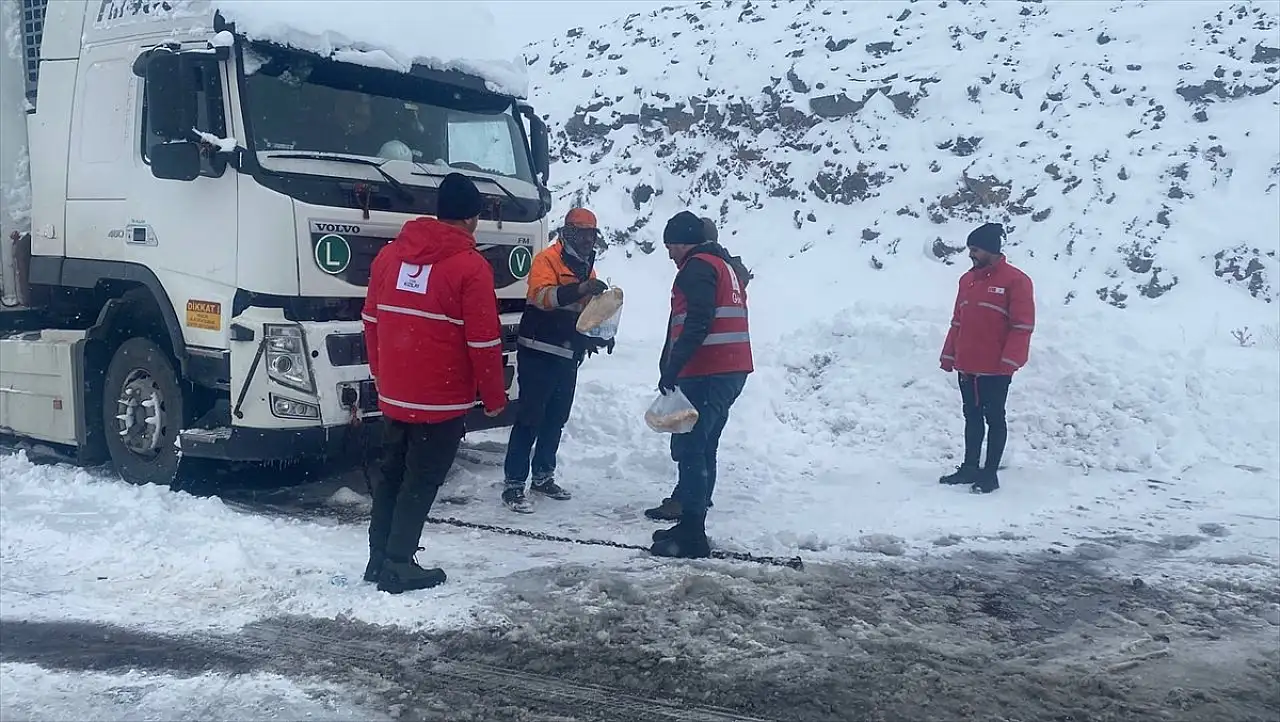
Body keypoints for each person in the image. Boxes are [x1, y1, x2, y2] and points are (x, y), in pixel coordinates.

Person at [361, 173, 507, 593]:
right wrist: (494, 396)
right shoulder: (471, 267)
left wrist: (380, 372)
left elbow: (370, 319)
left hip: (395, 393)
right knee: (421, 479)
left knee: (392, 473)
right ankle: (399, 563)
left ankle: (378, 557)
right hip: (440, 398)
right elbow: (483, 340)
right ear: (472, 219)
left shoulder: (390, 256)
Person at [649, 211, 754, 558]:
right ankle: (691, 522)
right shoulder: (724, 266)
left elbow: (698, 320)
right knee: (705, 445)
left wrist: (673, 367)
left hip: (709, 370)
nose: (669, 254)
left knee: (691, 447)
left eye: (670, 246)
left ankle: (692, 534)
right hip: (729, 369)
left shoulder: (697, 267)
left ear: (683, 242)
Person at [501, 208, 613, 513]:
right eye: (584, 234)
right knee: (529, 418)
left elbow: (584, 314)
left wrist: (598, 334)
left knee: (555, 419)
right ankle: (514, 484)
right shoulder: (547, 260)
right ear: (569, 233)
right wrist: (579, 289)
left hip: (567, 356)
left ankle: (543, 476)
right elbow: (543, 297)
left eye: (592, 235)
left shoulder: (587, 269)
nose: (589, 240)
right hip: (539, 351)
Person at [938, 222, 1035, 494]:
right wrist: (949, 354)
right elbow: (958, 321)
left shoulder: (1016, 281)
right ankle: (970, 467)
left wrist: (1010, 361)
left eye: (975, 249)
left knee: (994, 418)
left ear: (991, 249)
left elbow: (1022, 326)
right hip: (967, 365)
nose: (971, 254)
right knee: (971, 417)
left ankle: (989, 474)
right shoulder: (966, 281)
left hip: (995, 368)